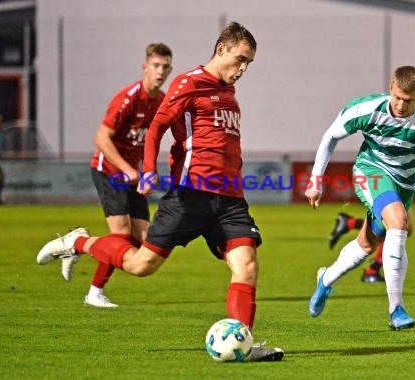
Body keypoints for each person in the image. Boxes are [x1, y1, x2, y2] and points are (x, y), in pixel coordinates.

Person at [36, 22, 284, 361]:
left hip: (230, 199)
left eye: (249, 64)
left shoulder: (228, 91)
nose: (242, 69)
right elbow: (157, 127)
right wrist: (149, 169)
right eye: (240, 59)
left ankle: (243, 343)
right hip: (190, 193)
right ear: (221, 49)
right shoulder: (188, 82)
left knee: (247, 265)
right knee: (141, 264)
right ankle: (78, 241)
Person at [306, 66, 415, 329]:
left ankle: (326, 279)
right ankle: (396, 309)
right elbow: (330, 136)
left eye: (408, 100)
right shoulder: (367, 109)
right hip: (372, 172)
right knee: (399, 223)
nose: (400, 105)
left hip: (408, 183)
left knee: (367, 245)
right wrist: (316, 180)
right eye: (397, 97)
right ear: (391, 87)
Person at [60, 43, 174, 308]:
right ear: (145, 67)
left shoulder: (161, 101)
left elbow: (150, 142)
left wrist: (147, 173)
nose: (160, 71)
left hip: (132, 174)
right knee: (121, 235)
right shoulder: (129, 98)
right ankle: (89, 278)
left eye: (165, 67)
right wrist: (128, 170)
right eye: (156, 65)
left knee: (142, 241)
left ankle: (78, 247)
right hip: (109, 170)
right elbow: (101, 138)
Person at [328, 68, 415, 283]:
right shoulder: (391, 109)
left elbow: (413, 149)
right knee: (400, 225)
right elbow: (395, 147)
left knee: (391, 228)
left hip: (406, 181)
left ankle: (350, 229)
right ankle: (375, 271)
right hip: (383, 176)